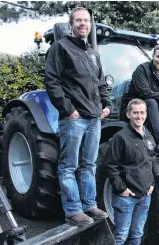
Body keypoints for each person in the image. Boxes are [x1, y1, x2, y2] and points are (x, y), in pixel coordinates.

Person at [44, 7, 110, 226]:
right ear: (71, 24)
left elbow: (100, 83)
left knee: (89, 164)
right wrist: (67, 109)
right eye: (79, 20)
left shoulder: (92, 53)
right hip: (75, 117)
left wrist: (106, 104)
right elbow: (52, 82)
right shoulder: (60, 48)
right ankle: (73, 209)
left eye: (86, 21)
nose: (83, 24)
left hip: (94, 118)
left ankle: (89, 204)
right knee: (68, 166)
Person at [102, 99, 155, 245]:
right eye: (136, 113)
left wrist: (152, 183)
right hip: (127, 198)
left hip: (145, 196)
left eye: (142, 113)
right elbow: (110, 165)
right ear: (128, 114)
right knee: (121, 236)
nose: (139, 116)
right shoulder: (120, 137)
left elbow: (149, 162)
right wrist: (121, 189)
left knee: (137, 235)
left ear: (146, 114)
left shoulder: (147, 134)